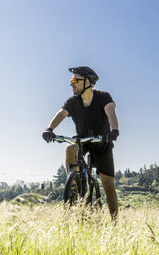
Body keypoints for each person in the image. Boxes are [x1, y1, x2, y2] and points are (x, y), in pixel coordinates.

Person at [42, 66, 119, 218]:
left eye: (74, 80)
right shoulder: (73, 101)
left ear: (88, 82)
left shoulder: (103, 97)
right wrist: (49, 128)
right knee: (70, 148)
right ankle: (73, 186)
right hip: (82, 142)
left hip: (102, 143)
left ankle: (115, 223)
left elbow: (111, 112)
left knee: (108, 185)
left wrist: (114, 130)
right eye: (71, 80)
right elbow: (61, 113)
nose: (71, 84)